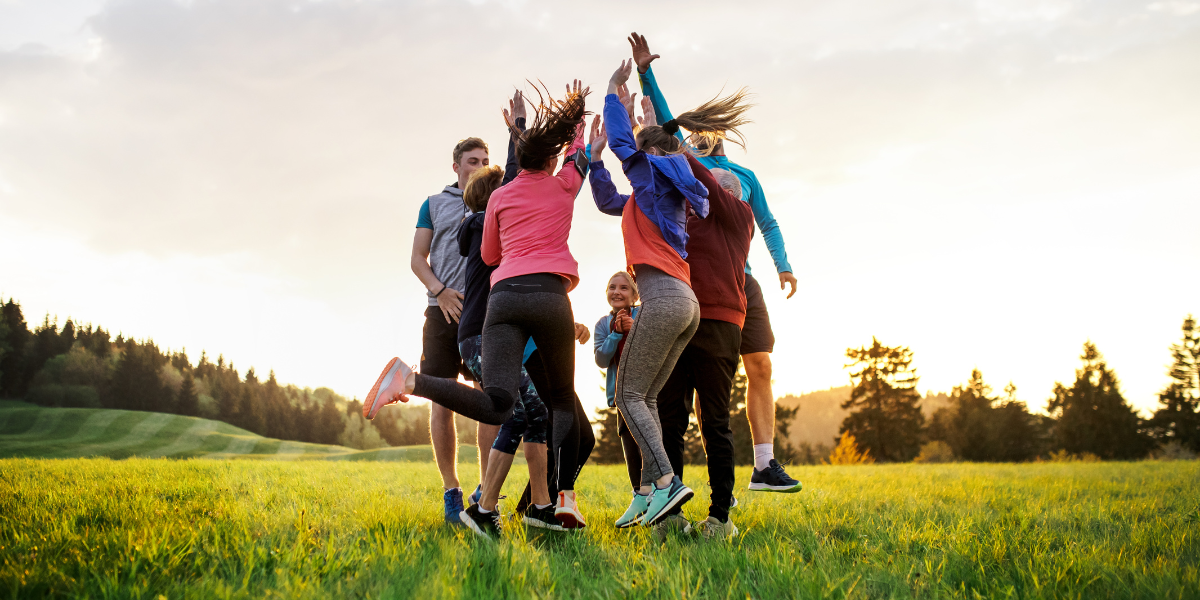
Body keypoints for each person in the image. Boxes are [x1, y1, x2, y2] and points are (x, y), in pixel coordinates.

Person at [363, 80, 592, 539]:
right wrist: (571, 126)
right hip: (476, 327)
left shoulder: (493, 209)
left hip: (493, 323)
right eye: (477, 164)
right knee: (506, 408)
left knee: (521, 412)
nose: (493, 173)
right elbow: (520, 179)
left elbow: (514, 178)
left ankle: (511, 508)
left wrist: (523, 129)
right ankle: (412, 387)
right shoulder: (482, 211)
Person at [630, 32, 802, 493]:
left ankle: (764, 464)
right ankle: (693, 479)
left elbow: (766, 222)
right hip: (697, 284)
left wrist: (783, 265)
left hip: (741, 283)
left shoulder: (744, 177)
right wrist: (647, 73)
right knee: (707, 391)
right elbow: (664, 121)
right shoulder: (684, 162)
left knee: (761, 365)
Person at [586, 59, 714, 528]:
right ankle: (644, 495)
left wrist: (612, 90)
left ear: (653, 156)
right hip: (686, 304)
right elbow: (606, 201)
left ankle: (666, 483)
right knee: (649, 398)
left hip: (661, 299)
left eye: (641, 153)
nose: (633, 162)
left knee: (627, 396)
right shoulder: (658, 195)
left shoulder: (653, 176)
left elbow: (626, 146)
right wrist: (595, 162)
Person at [376, 132, 500, 526]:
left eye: (484, 161)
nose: (479, 167)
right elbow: (417, 258)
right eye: (472, 161)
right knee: (441, 401)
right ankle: (451, 492)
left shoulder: (498, 199)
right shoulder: (433, 204)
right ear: (456, 166)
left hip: (485, 314)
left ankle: (485, 493)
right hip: (441, 313)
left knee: (489, 402)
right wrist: (441, 291)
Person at [453, 92, 560, 531]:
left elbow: (512, 181)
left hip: (494, 333)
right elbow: (512, 179)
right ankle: (485, 508)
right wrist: (516, 128)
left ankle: (538, 508)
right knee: (521, 410)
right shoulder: (482, 222)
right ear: (491, 197)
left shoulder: (489, 220)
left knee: (533, 413)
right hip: (480, 335)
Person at [592, 272, 645, 527]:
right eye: (612, 287)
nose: (617, 292)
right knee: (630, 444)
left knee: (648, 443)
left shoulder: (642, 315)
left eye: (625, 288)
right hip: (620, 395)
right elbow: (601, 359)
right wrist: (614, 333)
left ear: (635, 295)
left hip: (645, 393)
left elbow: (649, 349)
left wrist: (633, 331)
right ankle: (638, 496)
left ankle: (656, 494)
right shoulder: (603, 324)